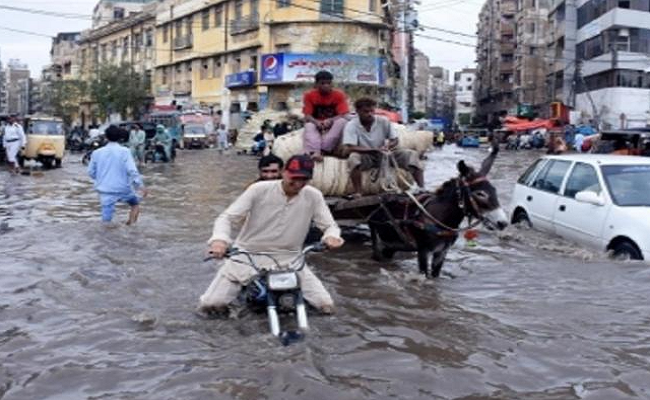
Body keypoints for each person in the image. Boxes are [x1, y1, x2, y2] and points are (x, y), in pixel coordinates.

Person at [199, 154, 344, 315]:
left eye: (304, 179)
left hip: (291, 259)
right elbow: (227, 217)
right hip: (247, 256)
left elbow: (330, 225)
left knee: (326, 306)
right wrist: (219, 241)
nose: (298, 184)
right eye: (294, 178)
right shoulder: (258, 190)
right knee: (210, 305)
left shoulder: (313, 195)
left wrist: (331, 237)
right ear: (284, 172)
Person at [342, 97, 424, 198]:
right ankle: (358, 191)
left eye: (372, 111)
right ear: (358, 111)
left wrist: (388, 146)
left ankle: (421, 188)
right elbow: (350, 147)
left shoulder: (383, 121)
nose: (370, 114)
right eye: (366, 112)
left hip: (385, 154)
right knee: (354, 158)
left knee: (411, 155)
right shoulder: (352, 125)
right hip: (366, 156)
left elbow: (395, 140)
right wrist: (374, 150)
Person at [88, 125, 147, 224]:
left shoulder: (97, 153)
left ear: (106, 137)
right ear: (120, 137)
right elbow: (132, 170)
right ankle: (131, 228)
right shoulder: (125, 151)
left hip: (105, 190)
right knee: (135, 204)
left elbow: (91, 172)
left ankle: (106, 237)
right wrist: (140, 186)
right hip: (123, 188)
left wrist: (102, 179)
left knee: (106, 221)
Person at [302, 70, 350, 161]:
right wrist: (316, 122)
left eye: (328, 83)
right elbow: (307, 115)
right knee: (309, 126)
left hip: (333, 122)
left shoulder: (339, 95)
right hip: (316, 122)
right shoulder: (309, 95)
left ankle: (325, 149)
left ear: (332, 83)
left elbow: (343, 114)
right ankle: (314, 151)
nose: (326, 86)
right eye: (322, 83)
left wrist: (331, 120)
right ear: (316, 84)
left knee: (342, 121)